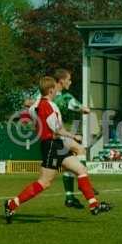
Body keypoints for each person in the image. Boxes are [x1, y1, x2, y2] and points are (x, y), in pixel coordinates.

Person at [4, 77, 111, 224]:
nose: (56, 91)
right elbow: (57, 129)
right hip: (51, 145)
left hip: (56, 145)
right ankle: (12, 204)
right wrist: (74, 136)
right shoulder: (48, 106)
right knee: (44, 182)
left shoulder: (35, 105)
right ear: (50, 90)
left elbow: (28, 115)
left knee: (81, 169)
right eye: (55, 89)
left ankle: (94, 205)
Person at [28, 68, 94, 209]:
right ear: (62, 81)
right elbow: (81, 108)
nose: (70, 82)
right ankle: (80, 186)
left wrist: (36, 123)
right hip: (56, 136)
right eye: (69, 79)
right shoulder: (64, 97)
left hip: (49, 137)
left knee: (72, 158)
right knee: (80, 149)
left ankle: (71, 195)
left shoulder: (42, 97)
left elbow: (30, 106)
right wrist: (85, 109)